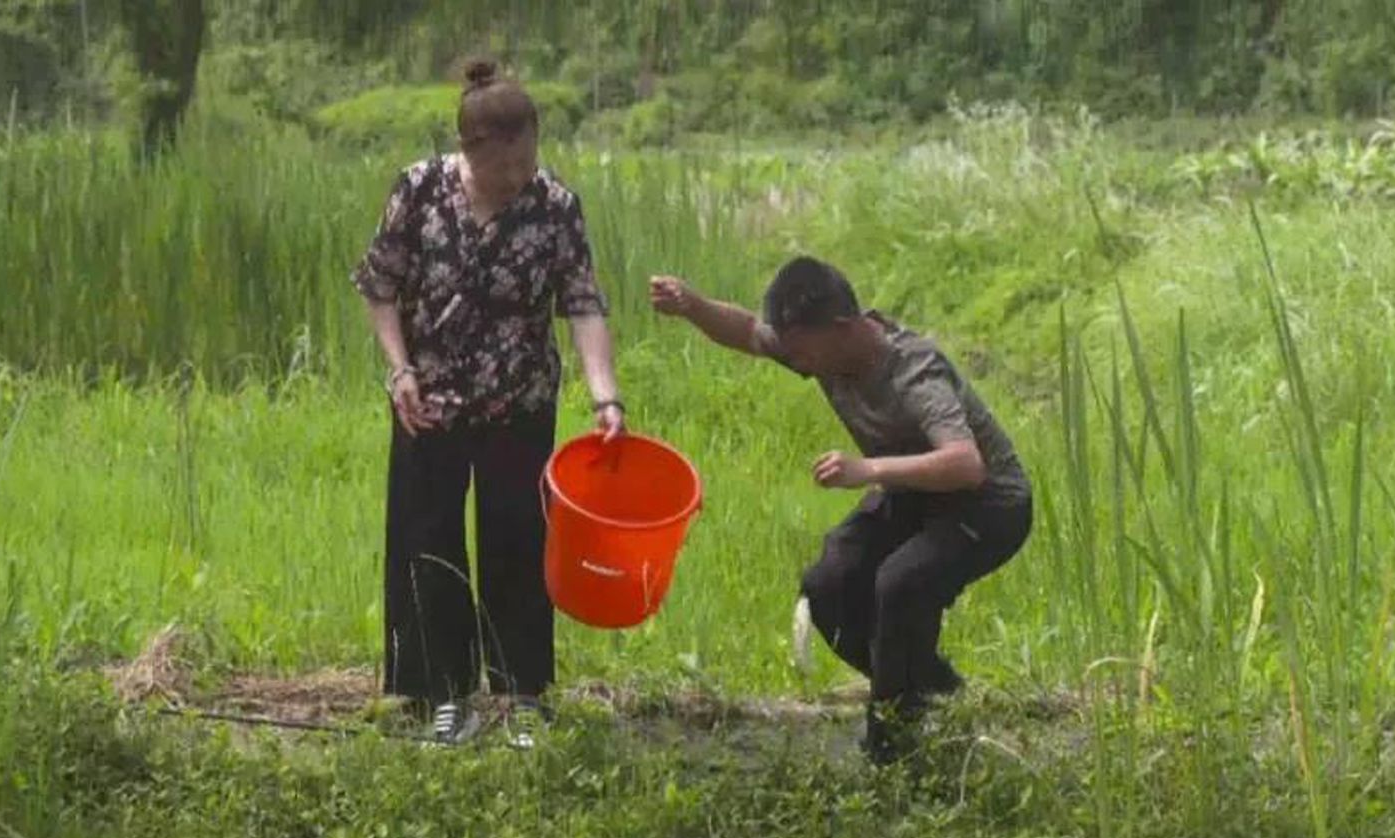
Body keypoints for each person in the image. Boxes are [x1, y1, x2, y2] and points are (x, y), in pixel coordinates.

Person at [650, 257, 1031, 762]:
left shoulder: (914, 371)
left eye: (802, 351)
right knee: (829, 583)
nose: (797, 363)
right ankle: (932, 692)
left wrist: (868, 471)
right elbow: (746, 330)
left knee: (901, 584)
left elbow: (966, 465)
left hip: (987, 507)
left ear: (842, 329)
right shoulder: (816, 348)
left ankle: (891, 750)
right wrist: (692, 306)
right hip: (914, 493)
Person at [352, 59, 625, 744]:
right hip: (430, 403)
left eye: (531, 157)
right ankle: (443, 693)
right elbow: (378, 287)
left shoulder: (555, 205)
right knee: (430, 544)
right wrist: (399, 369)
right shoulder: (418, 191)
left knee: (520, 541)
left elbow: (583, 304)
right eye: (508, 166)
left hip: (519, 402)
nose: (521, 176)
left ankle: (522, 694)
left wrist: (605, 397)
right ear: (473, 153)